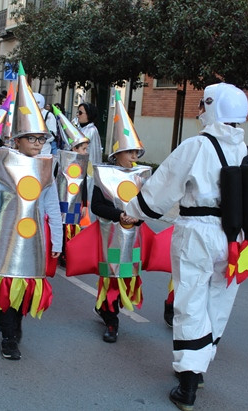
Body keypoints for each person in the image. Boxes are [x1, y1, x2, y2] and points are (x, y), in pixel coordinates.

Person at [125, 83, 248, 410]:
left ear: (212, 107)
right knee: (218, 300)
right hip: (233, 236)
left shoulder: (197, 146)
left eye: (203, 105)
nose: (199, 111)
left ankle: (188, 381)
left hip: (197, 232)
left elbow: (162, 188)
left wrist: (133, 213)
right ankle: (201, 366)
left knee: (191, 298)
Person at [0, 62, 62, 360]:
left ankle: (13, 327)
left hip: (33, 241)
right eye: (32, 138)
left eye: (41, 139)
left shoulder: (47, 167)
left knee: (25, 288)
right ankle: (8, 336)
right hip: (4, 238)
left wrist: (57, 241)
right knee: (6, 285)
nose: (38, 143)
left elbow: (51, 205)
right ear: (16, 139)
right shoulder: (2, 164)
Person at [90, 91, 149, 344]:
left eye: (137, 153)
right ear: (117, 154)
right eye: (130, 152)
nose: (135, 157)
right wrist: (120, 215)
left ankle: (105, 309)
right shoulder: (104, 176)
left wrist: (138, 218)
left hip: (134, 237)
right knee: (112, 276)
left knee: (127, 276)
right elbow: (96, 206)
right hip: (110, 236)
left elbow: (149, 205)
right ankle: (112, 322)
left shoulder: (142, 176)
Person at [52, 105, 90, 264]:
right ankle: (59, 251)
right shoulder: (61, 160)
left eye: (86, 149)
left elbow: (85, 184)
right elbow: (53, 180)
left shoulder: (83, 163)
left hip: (75, 202)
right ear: (74, 147)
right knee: (60, 225)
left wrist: (85, 205)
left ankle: (68, 253)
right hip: (61, 200)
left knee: (72, 226)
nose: (86, 152)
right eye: (83, 149)